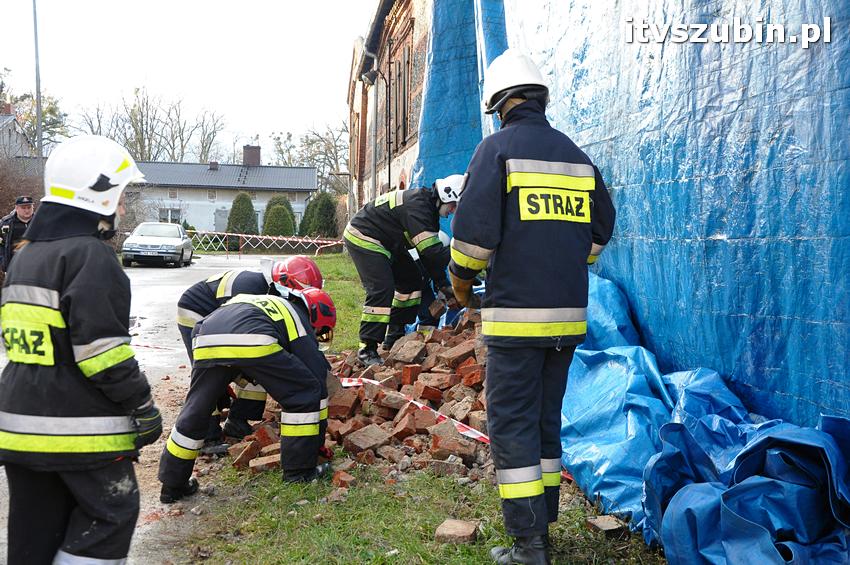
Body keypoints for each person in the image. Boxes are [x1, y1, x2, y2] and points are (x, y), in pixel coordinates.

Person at [448, 50, 616, 565]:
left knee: (512, 425)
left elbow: (472, 240)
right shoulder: (576, 156)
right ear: (539, 98)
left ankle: (528, 546)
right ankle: (543, 527)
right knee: (544, 421)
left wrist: (460, 285)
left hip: (516, 322)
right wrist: (568, 257)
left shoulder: (496, 150)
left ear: (499, 104)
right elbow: (601, 229)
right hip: (567, 321)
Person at [0, 135, 163, 564]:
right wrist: (142, 406)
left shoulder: (27, 255)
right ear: (97, 194)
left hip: (18, 426)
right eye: (120, 196)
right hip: (78, 430)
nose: (122, 208)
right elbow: (102, 354)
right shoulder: (91, 256)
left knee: (34, 540)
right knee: (109, 517)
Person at [158, 290, 336, 502]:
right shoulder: (299, 318)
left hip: (204, 338)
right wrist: (317, 443)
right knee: (305, 394)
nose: (318, 336)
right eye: (321, 332)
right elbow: (317, 380)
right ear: (317, 318)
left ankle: (172, 485)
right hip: (253, 339)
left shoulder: (264, 302)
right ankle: (299, 473)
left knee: (197, 409)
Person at [176, 256, 325, 440]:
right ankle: (208, 433)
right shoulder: (250, 287)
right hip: (197, 313)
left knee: (260, 361)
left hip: (222, 320)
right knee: (209, 377)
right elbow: (230, 329)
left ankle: (238, 421)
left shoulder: (271, 290)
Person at [343, 175, 464, 366]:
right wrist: (464, 254)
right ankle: (367, 348)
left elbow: (428, 257)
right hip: (364, 236)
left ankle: (394, 336)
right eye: (453, 205)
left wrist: (443, 285)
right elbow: (432, 253)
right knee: (381, 289)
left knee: (412, 279)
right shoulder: (419, 208)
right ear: (446, 195)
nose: (453, 211)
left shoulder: (427, 210)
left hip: (389, 242)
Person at [0, 195, 36, 275]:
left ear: (33, 207)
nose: (27, 210)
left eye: (29, 207)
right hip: (13, 269)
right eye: (23, 208)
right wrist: (3, 261)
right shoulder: (6, 223)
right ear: (16, 208)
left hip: (36, 269)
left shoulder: (40, 222)